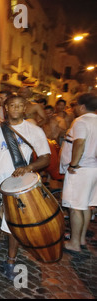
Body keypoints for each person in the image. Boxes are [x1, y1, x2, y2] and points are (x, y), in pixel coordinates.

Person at [0, 95, 50, 280]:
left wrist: (29, 167)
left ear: (25, 108)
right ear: (6, 108)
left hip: (19, 184)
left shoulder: (34, 131)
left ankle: (10, 260)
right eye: (12, 106)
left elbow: (45, 158)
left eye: (20, 105)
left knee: (13, 227)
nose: (16, 108)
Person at [60, 93, 97, 254]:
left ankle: (74, 243)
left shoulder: (81, 121)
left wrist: (73, 164)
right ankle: (80, 239)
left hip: (81, 169)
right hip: (93, 169)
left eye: (75, 105)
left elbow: (79, 143)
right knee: (85, 206)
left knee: (75, 207)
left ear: (82, 106)